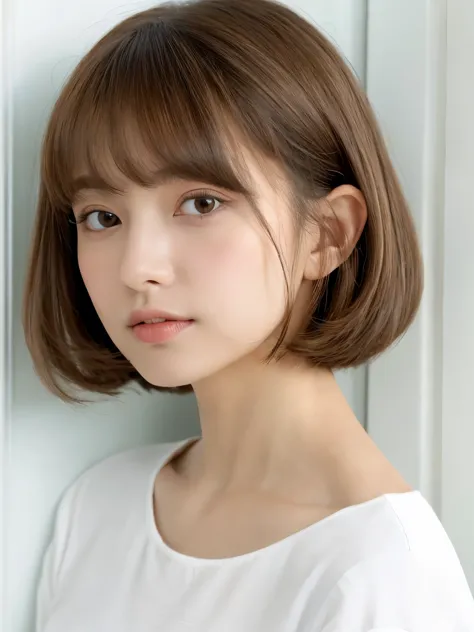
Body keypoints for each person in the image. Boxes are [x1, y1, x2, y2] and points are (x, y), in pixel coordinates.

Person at [23, 0, 474, 630]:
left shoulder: (381, 575)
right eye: (103, 216)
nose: (137, 267)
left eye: (201, 202)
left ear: (327, 235)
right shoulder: (100, 506)